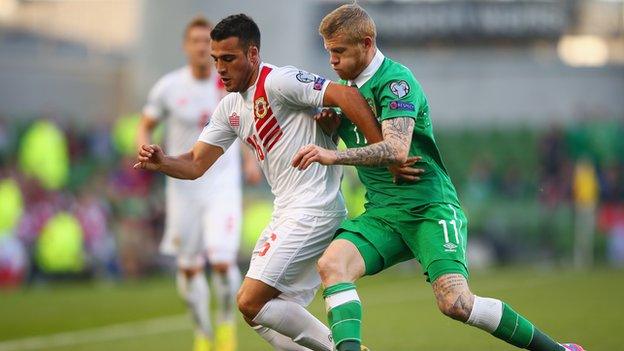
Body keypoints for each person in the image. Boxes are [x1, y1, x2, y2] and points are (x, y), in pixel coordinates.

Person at [292, 4, 585, 351]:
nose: (332, 61)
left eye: (339, 51)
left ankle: (558, 350)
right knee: (332, 265)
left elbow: (397, 149)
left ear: (367, 43)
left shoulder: (396, 82)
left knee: (456, 303)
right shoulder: (344, 91)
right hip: (383, 215)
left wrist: (334, 155)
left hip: (429, 208)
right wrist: (332, 124)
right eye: (329, 52)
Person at [134, 13, 398, 351]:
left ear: (253, 54)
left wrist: (384, 151)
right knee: (257, 313)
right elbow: (197, 163)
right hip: (288, 209)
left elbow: (347, 97)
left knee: (250, 300)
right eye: (216, 60)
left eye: (228, 59)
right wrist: (162, 161)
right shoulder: (230, 107)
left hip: (313, 207)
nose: (220, 68)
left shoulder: (280, 81)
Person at [136, 16, 261, 351]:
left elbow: (244, 123)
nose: (202, 47)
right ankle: (202, 332)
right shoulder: (169, 87)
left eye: (207, 42)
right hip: (182, 188)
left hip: (221, 185)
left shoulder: (227, 85)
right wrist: (143, 145)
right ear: (185, 46)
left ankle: (224, 325)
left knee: (221, 262)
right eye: (195, 41)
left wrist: (250, 160)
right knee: (189, 269)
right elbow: (145, 124)